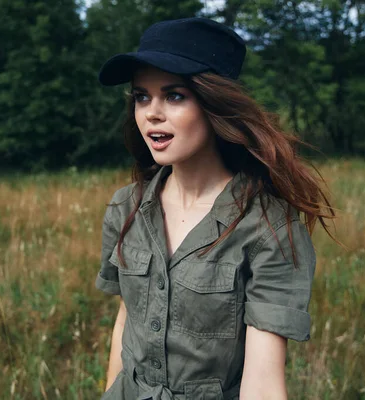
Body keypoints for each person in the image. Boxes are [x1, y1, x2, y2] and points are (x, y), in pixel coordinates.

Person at [94, 17, 337, 400]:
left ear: (214, 104)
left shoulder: (268, 226)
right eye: (142, 96)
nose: (152, 113)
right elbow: (127, 320)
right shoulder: (126, 206)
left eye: (174, 95)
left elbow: (263, 384)